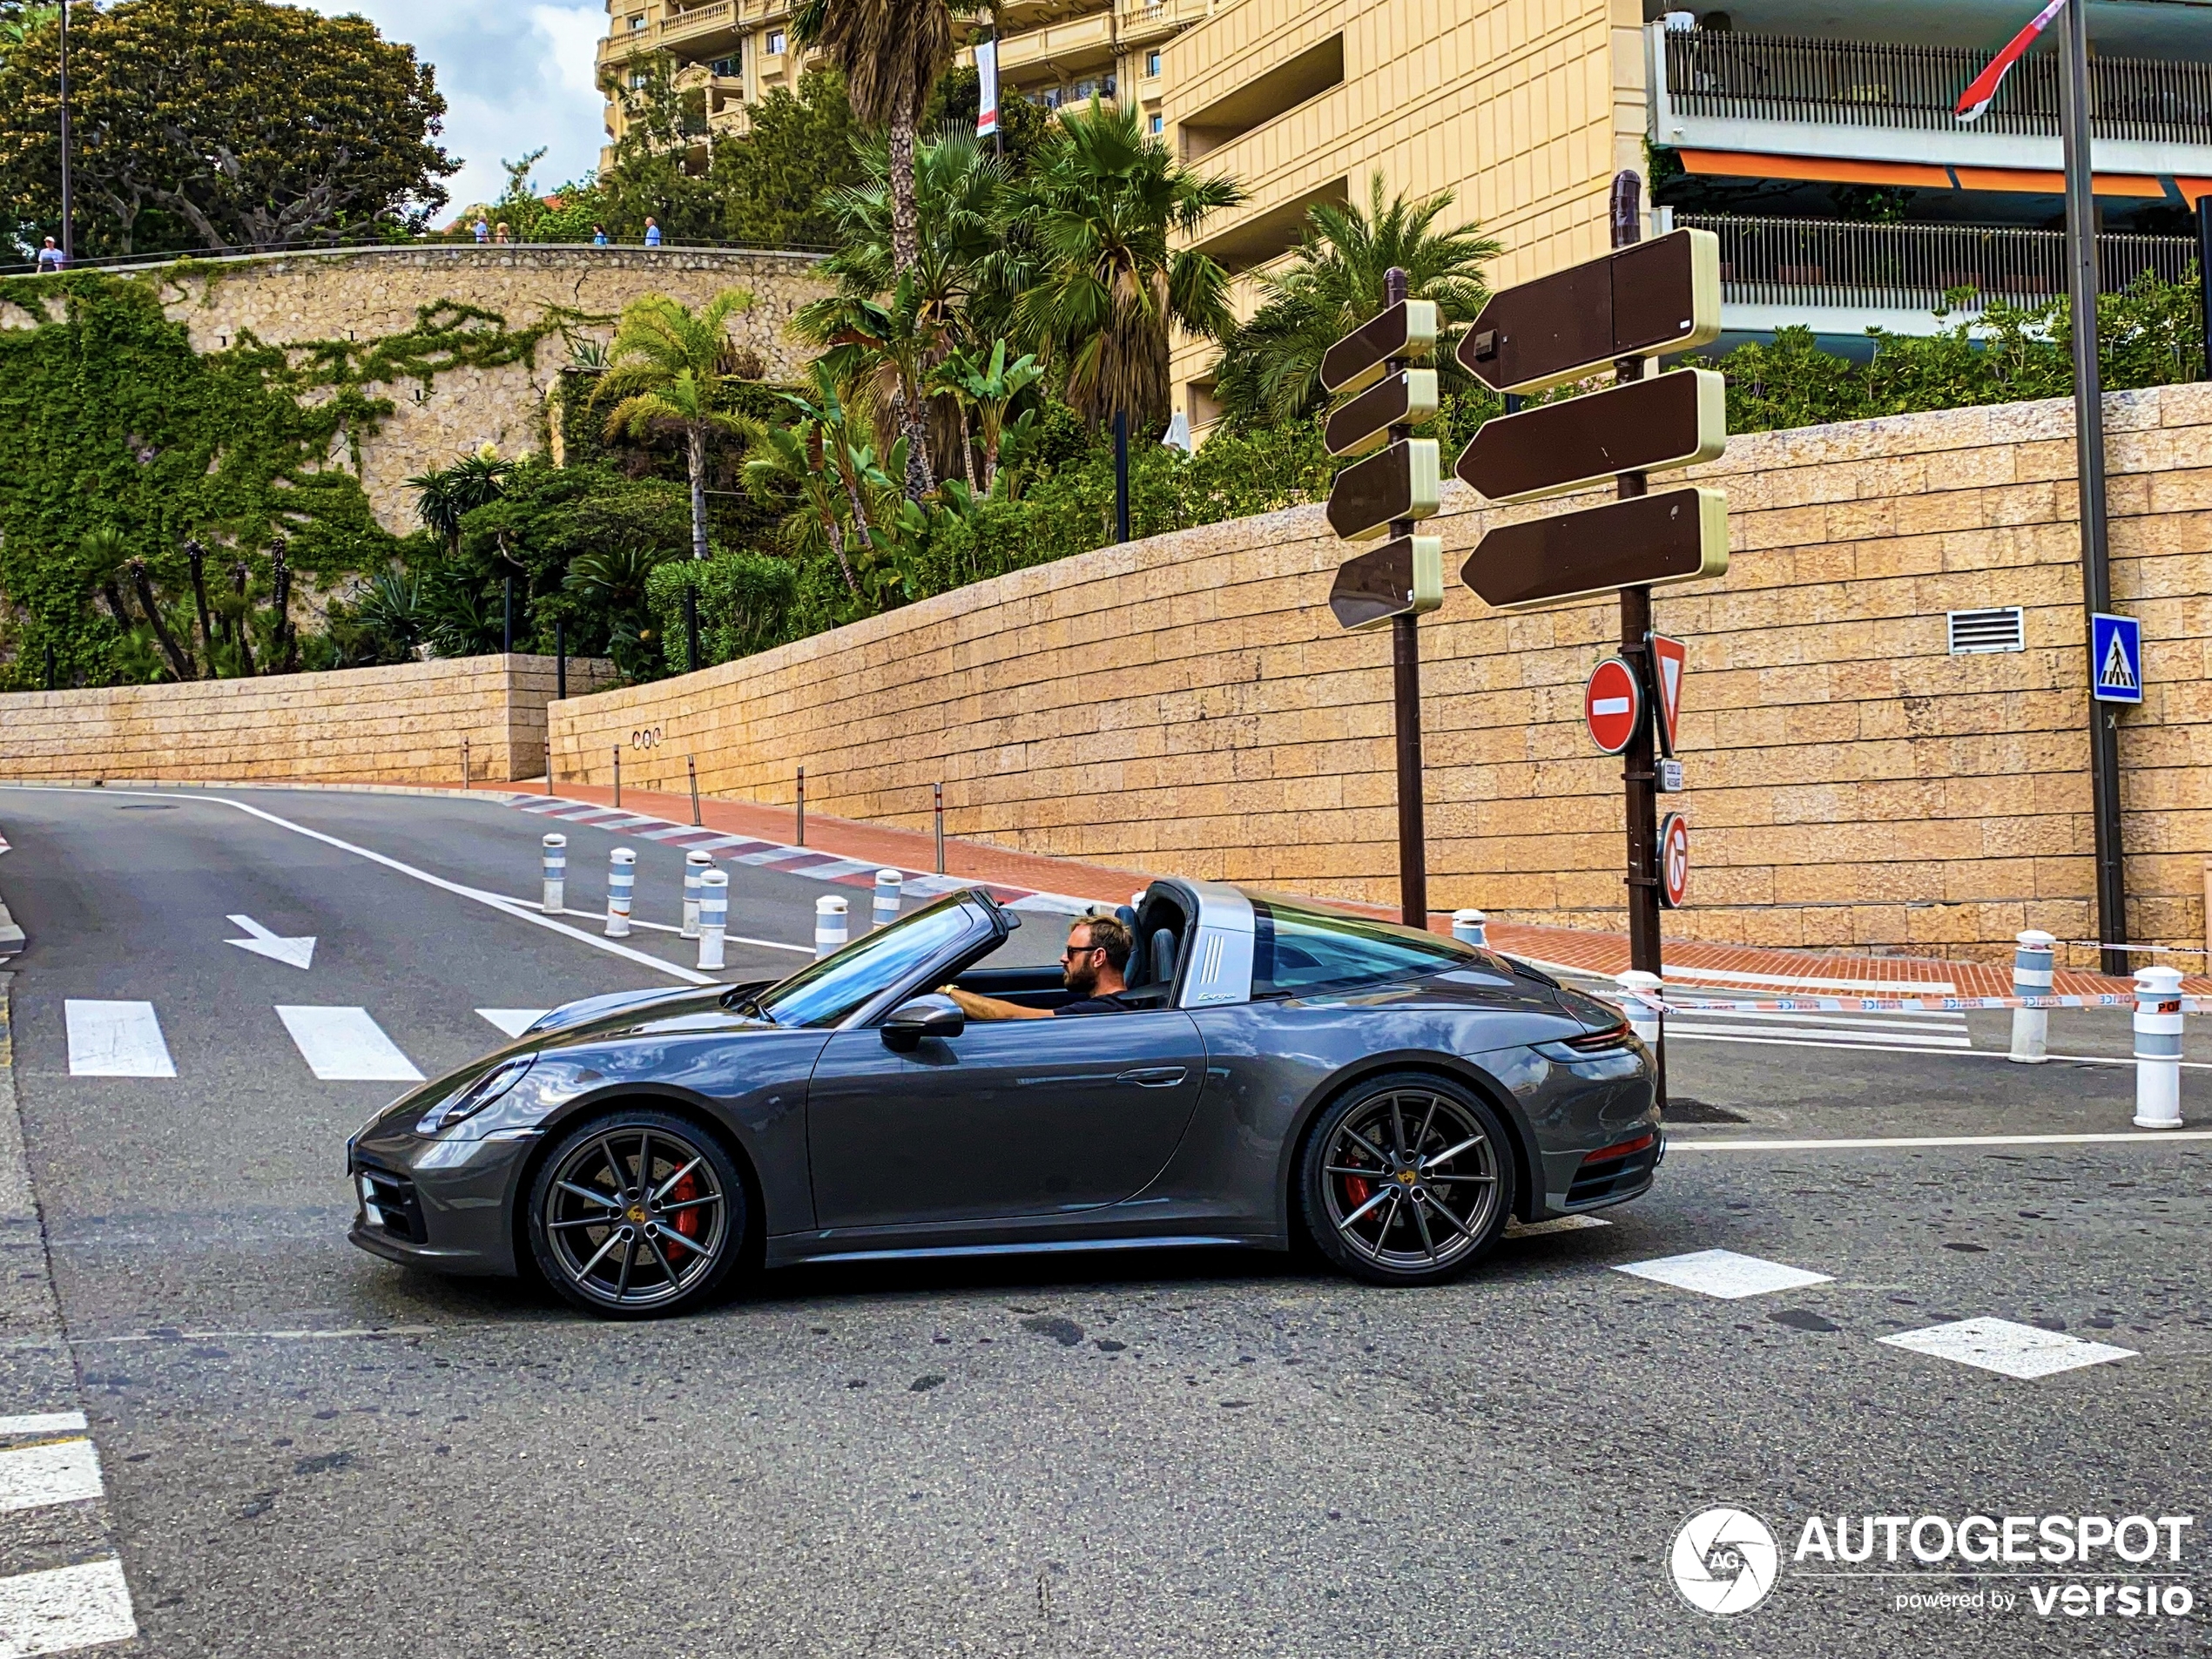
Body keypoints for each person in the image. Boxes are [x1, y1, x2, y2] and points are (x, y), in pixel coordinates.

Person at [941, 916, 1136, 1021]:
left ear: (1098, 957)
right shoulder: (1110, 1005)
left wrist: (946, 992)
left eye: (1071, 951)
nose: (1063, 958)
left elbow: (1012, 1016)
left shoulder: (1103, 1012)